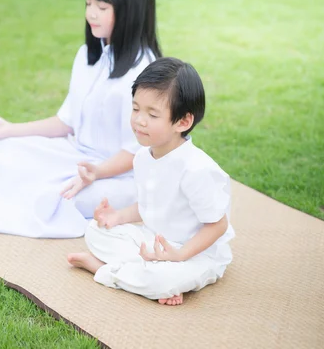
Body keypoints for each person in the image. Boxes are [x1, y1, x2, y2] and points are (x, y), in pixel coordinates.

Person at [0, 0, 162, 238]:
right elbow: (66, 121)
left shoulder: (146, 73)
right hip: (75, 154)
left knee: (50, 196)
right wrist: (10, 130)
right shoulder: (87, 56)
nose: (91, 13)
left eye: (102, 7)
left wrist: (95, 172)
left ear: (131, 11)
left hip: (117, 175)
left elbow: (139, 152)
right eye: (88, 3)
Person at [67, 57, 235, 305]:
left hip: (196, 253)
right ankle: (146, 274)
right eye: (135, 109)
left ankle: (103, 270)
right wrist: (117, 217)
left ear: (183, 121)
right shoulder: (143, 157)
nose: (139, 120)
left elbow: (217, 226)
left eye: (152, 114)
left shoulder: (197, 170)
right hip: (154, 238)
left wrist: (178, 256)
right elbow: (149, 205)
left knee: (165, 280)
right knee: (96, 230)